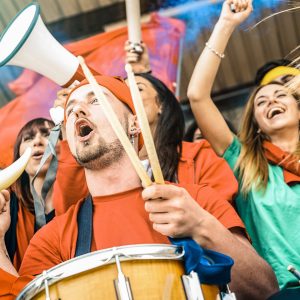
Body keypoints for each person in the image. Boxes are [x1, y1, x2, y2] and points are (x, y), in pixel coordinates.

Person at [0, 75, 277, 299]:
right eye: (69, 111)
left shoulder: (194, 201)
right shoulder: (51, 240)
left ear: (134, 124)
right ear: (69, 144)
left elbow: (264, 289)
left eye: (96, 100)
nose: (78, 111)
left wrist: (202, 227)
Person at [187, 0, 300, 289]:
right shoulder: (245, 162)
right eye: (261, 102)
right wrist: (226, 24)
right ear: (256, 124)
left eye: (281, 95)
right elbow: (198, 96)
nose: (271, 100)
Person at [53, 42, 240, 215]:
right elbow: (69, 215)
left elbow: (220, 215)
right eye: (120, 95)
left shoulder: (198, 156)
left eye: (138, 89)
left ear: (161, 105)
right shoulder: (99, 164)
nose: (127, 96)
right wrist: (71, 129)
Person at [3, 118, 57, 271]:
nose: (37, 142)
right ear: (18, 154)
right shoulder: (7, 205)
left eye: (47, 134)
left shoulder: (82, 199)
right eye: (28, 138)